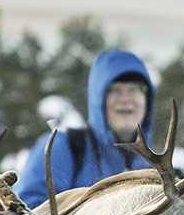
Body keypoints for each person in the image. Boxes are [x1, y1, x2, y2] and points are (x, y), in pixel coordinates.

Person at [15, 49, 156, 206]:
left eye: (134, 90)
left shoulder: (158, 167)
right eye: (115, 90)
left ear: (147, 99)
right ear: (98, 98)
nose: (125, 99)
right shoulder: (62, 148)